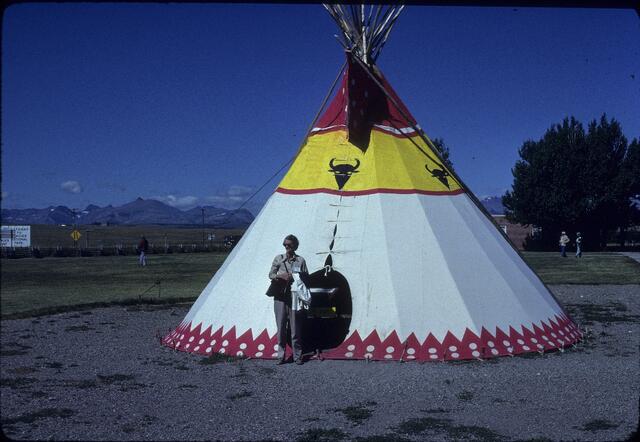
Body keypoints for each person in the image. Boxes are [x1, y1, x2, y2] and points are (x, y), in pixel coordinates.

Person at [269, 234, 308, 365]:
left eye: (289, 245)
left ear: (295, 246)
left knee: (295, 328)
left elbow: (306, 277)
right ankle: (281, 356)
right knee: (280, 327)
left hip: (294, 297)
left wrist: (296, 277)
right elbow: (271, 274)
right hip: (280, 296)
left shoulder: (300, 261)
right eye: (285, 245)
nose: (287, 247)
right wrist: (280, 276)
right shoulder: (279, 259)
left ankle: (297, 356)